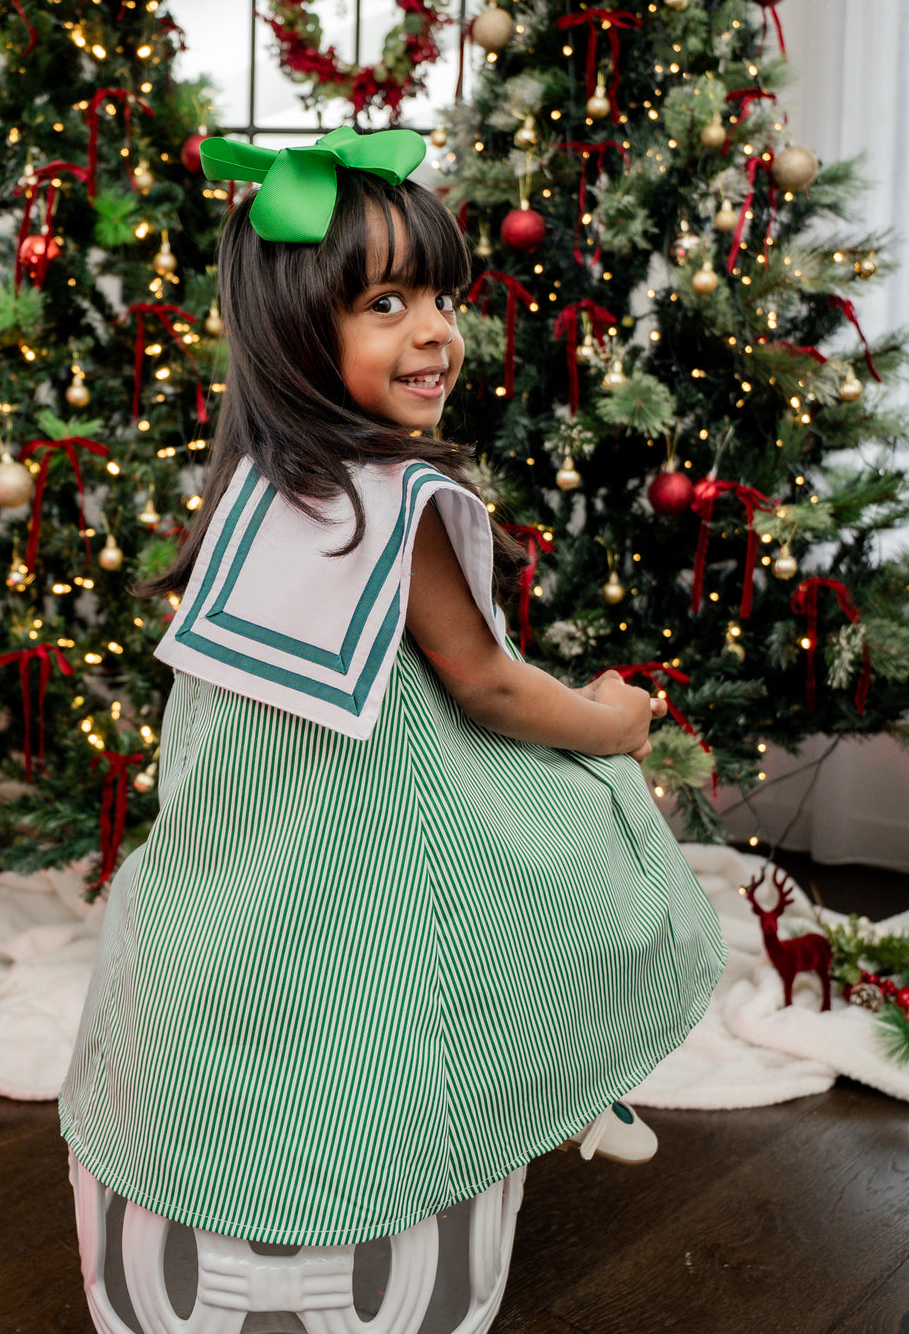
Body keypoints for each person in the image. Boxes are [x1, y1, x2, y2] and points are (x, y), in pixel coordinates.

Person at [60, 126, 725, 1255]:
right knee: (584, 838)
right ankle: (555, 1084)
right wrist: (613, 726)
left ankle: (550, 1085)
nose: (433, 333)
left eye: (441, 300)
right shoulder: (390, 500)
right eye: (384, 304)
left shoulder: (260, 483)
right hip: (377, 805)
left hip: (259, 829)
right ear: (293, 331)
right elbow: (489, 687)